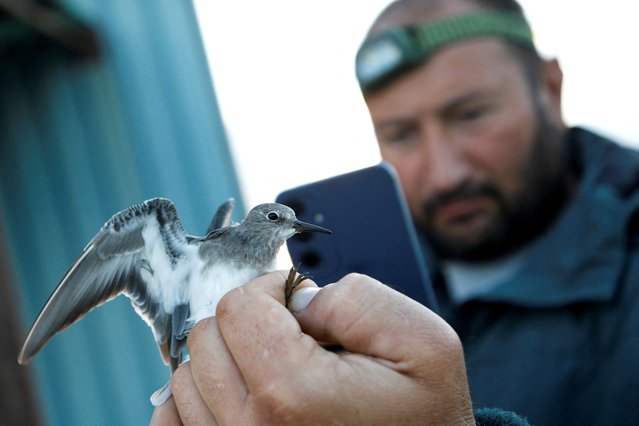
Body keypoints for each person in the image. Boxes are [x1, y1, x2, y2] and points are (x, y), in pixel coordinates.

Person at [152, 0, 639, 424]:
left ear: (550, 89)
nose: (445, 172)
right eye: (401, 134)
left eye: (471, 114)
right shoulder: (338, 298)